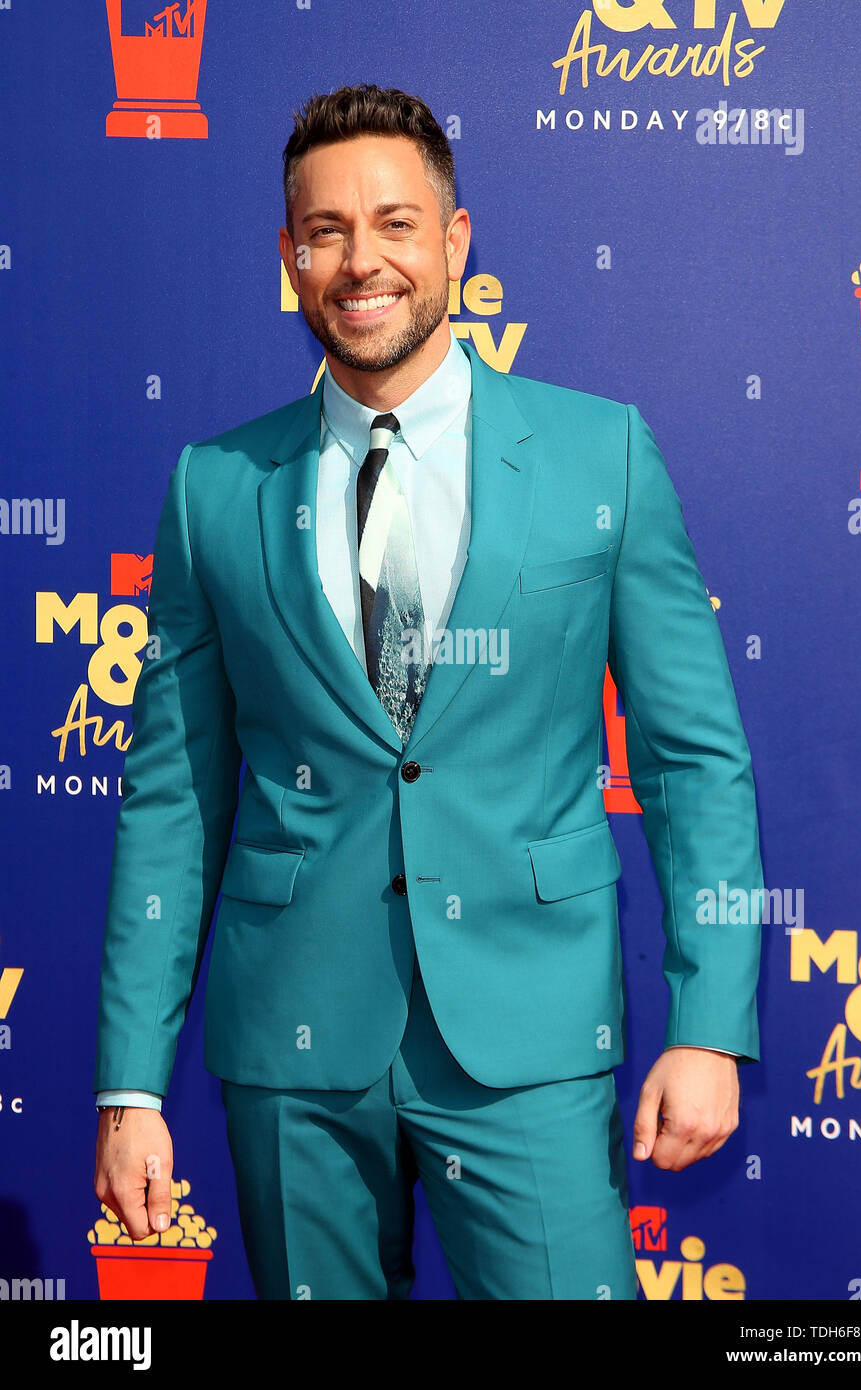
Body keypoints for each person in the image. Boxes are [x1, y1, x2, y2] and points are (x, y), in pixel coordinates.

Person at [93, 84, 763, 1300]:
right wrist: (131, 1085)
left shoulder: (598, 453)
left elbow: (689, 760)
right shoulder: (212, 489)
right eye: (326, 231)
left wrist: (709, 1024)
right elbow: (171, 803)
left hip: (532, 1043)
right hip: (293, 1054)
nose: (362, 261)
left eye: (396, 223)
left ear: (454, 243)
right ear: (289, 258)